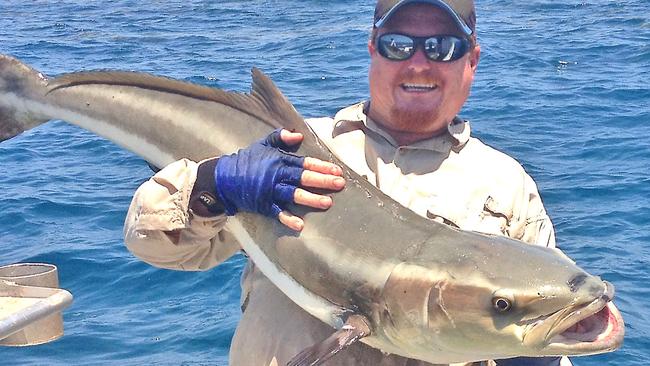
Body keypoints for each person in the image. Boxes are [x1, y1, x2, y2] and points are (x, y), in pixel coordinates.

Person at [124, 1, 571, 365]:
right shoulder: (288, 149)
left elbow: (546, 325)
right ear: (373, 48)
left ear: (472, 58)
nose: (418, 64)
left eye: (442, 47)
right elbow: (156, 246)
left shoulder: (507, 183)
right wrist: (212, 185)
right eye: (399, 45)